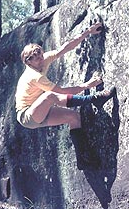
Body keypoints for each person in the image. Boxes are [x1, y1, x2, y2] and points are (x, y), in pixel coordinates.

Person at [15, 22, 116, 170]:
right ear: (28, 62)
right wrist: (88, 85)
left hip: (39, 110)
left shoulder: (43, 61)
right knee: (50, 95)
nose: (40, 58)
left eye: (40, 53)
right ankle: (94, 99)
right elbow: (61, 92)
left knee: (73, 117)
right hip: (27, 116)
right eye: (35, 57)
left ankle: (83, 159)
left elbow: (65, 48)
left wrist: (88, 32)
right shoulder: (33, 76)